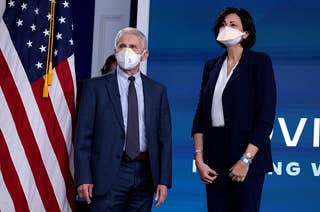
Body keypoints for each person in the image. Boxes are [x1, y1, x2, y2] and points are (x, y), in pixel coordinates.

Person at [74, 27, 172, 211]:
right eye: (122, 46)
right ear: (115, 51)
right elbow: (83, 138)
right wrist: (83, 177)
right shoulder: (95, 88)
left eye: (133, 47)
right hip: (107, 174)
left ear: (144, 55)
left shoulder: (157, 90)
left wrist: (163, 180)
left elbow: (164, 138)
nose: (127, 51)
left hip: (145, 174)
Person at [191, 7, 276, 212]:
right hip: (214, 161)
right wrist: (199, 160)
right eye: (223, 24)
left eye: (233, 24)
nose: (226, 28)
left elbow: (266, 116)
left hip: (247, 159)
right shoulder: (211, 66)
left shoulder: (259, 62)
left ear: (245, 33)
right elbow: (201, 116)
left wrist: (246, 159)